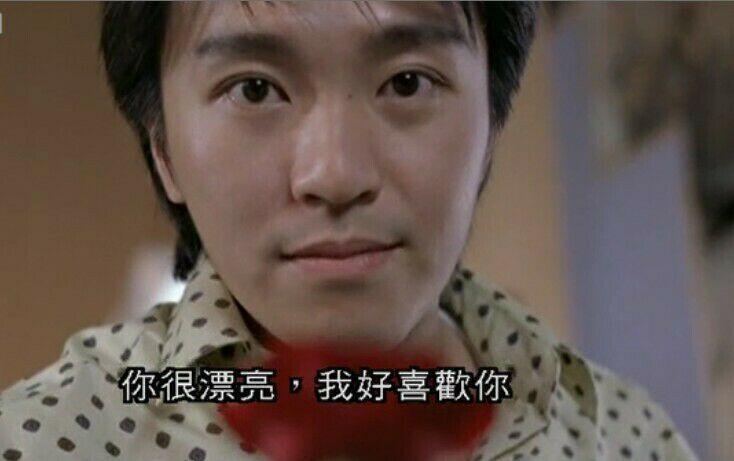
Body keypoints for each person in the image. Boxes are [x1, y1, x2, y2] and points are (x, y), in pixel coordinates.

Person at [0, 2, 698, 460]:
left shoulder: (629, 438)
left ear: (491, 124)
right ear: (163, 150)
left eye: (408, 82)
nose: (334, 175)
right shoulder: (46, 440)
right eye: (254, 89)